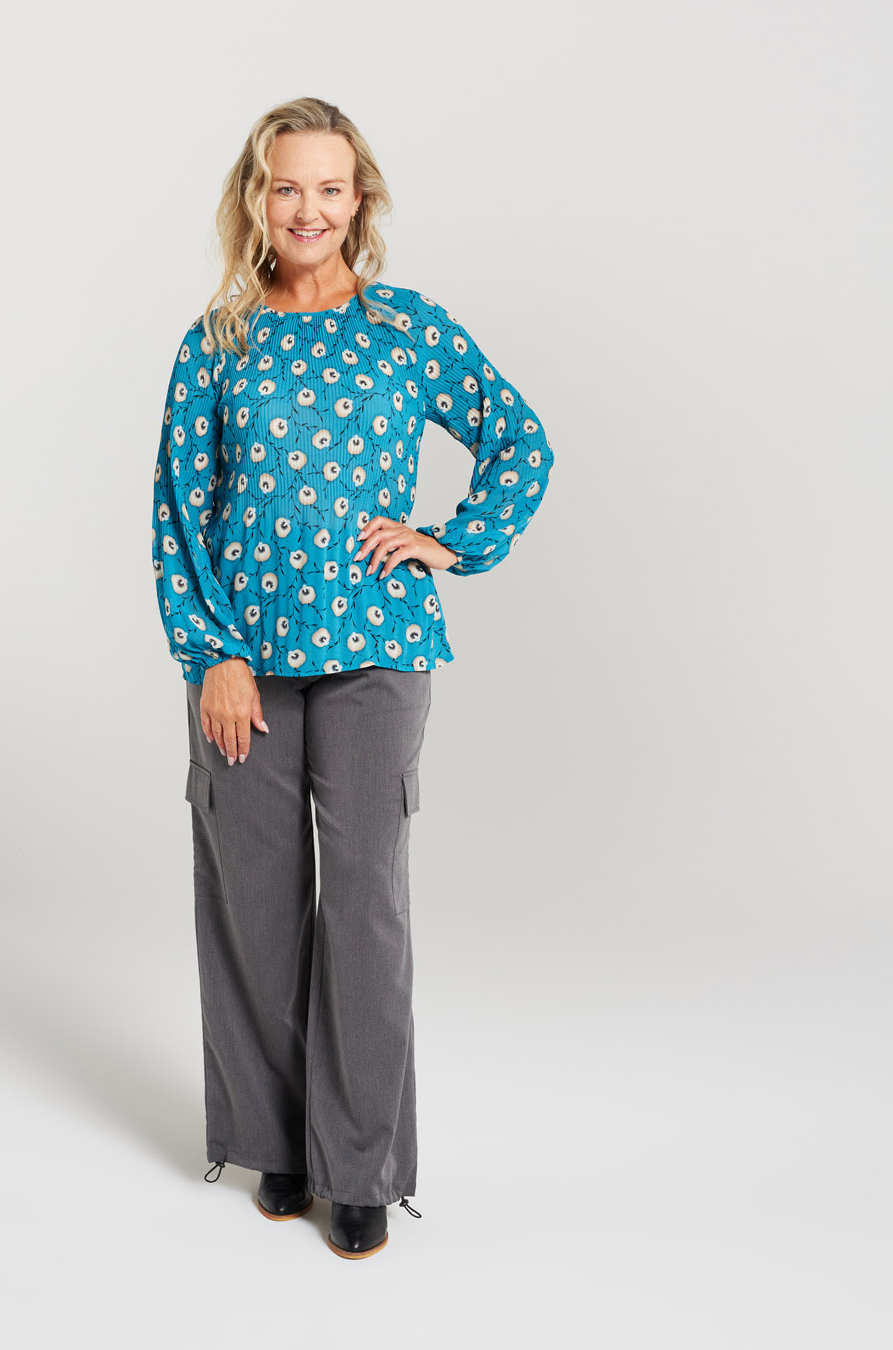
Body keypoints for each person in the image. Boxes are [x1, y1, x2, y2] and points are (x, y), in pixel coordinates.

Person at [150, 96, 555, 1259]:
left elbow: (519, 439)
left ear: (359, 199)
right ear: (256, 198)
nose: (308, 209)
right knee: (255, 903)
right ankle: (277, 1142)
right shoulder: (217, 342)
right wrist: (214, 654)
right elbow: (181, 511)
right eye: (287, 186)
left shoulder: (407, 329)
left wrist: (450, 541)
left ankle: (360, 1164)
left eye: (330, 188)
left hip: (379, 653)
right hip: (247, 665)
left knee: (365, 908)